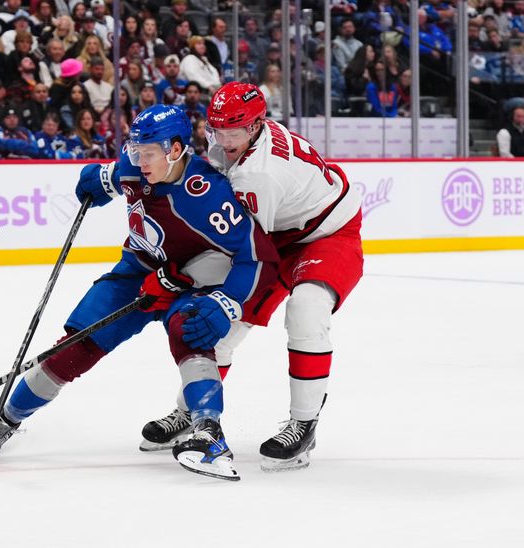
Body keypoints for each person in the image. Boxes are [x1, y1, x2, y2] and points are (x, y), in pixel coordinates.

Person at [0, 104, 280, 481]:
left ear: (176, 149)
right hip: (135, 273)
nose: (139, 159)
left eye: (148, 152)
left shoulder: (209, 196)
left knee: (191, 333)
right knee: (76, 345)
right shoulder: (135, 164)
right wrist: (99, 179)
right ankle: (9, 418)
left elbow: (257, 258)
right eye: (135, 150)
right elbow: (117, 175)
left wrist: (227, 300)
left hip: (190, 280)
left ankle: (208, 434)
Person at [141, 82, 363, 473]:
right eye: (217, 130)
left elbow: (244, 251)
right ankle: (190, 413)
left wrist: (182, 275)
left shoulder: (259, 175)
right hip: (277, 232)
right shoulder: (234, 142)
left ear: (258, 125)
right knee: (224, 331)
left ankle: (304, 423)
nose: (224, 140)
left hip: (327, 234)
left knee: (307, 310)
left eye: (235, 131)